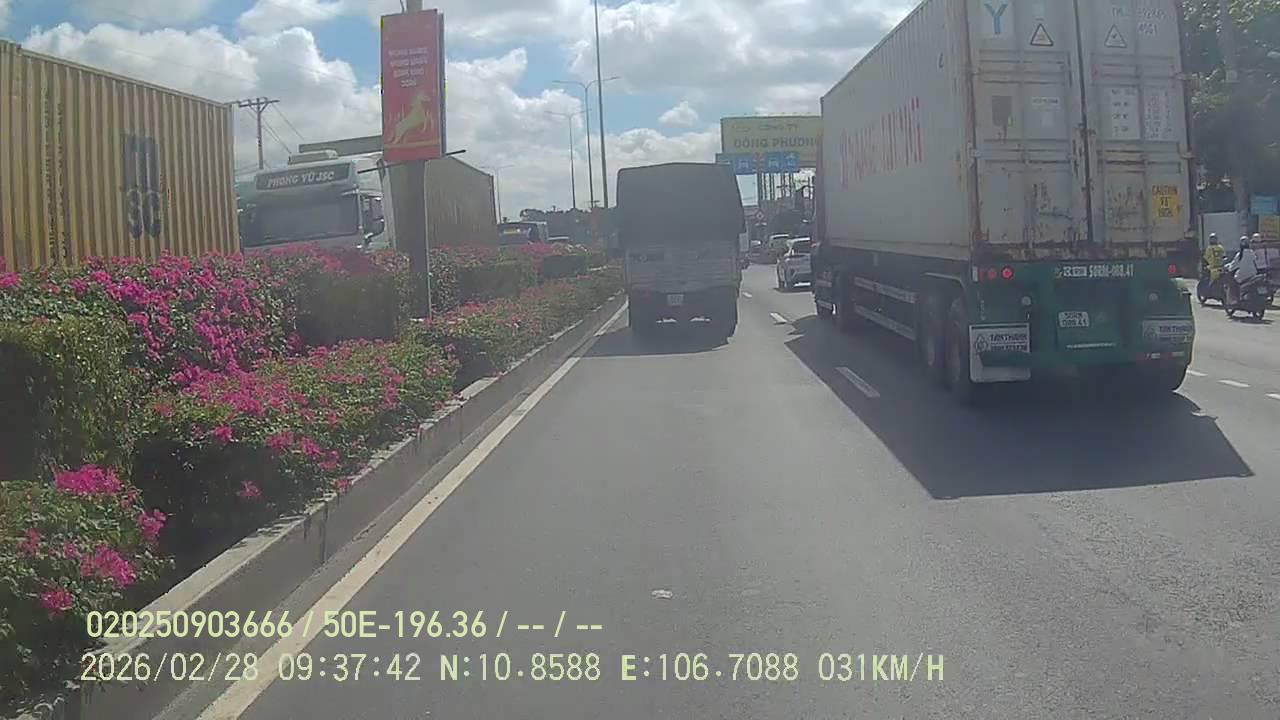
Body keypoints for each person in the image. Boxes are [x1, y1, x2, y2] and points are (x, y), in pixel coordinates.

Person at [1224, 236, 1259, 307]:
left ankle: (1235, 300)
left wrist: (1228, 268)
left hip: (1243, 275)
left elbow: (1233, 265)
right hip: (1253, 274)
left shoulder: (1240, 254)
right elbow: (1256, 262)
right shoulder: (1252, 252)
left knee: (1233, 282)